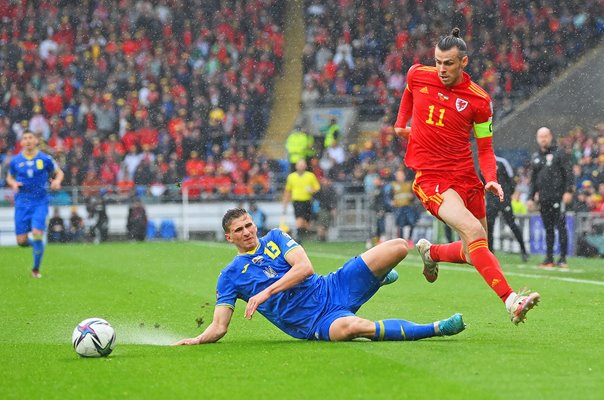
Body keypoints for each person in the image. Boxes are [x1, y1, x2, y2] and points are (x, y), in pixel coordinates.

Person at [393, 28, 540, 325]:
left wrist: (491, 178)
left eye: (448, 63)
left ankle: (431, 252)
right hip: (432, 178)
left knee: (474, 250)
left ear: (464, 62)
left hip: (466, 177)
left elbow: (485, 148)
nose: (442, 69)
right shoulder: (418, 74)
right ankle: (512, 301)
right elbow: (409, 91)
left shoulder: (479, 101)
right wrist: (400, 123)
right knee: (474, 232)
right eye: (438, 62)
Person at [174, 208, 465, 345]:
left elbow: (305, 269)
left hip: (330, 287)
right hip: (314, 322)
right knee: (353, 327)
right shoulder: (229, 277)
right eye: (239, 230)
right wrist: (197, 340)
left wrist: (264, 293)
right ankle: (437, 328)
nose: (247, 232)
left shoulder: (276, 237)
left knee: (400, 247)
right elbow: (219, 326)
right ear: (229, 237)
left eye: (249, 225)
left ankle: (376, 278)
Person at [6, 130, 64, 278]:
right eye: (25, 138)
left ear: (36, 141)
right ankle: (37, 246)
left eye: (30, 137)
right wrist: (13, 183)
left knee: (38, 233)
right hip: (22, 203)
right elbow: (9, 177)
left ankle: (35, 269)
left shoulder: (45, 159)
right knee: (21, 241)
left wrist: (57, 181)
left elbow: (59, 172)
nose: (28, 140)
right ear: (22, 143)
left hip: (40, 202)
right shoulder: (16, 161)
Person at [527, 127, 574, 268]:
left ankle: (563, 258)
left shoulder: (559, 153)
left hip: (558, 197)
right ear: (537, 138)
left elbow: (568, 173)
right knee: (548, 228)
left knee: (561, 226)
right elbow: (533, 180)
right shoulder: (536, 157)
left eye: (546, 136)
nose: (543, 139)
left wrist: (568, 191)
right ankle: (549, 258)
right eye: (541, 136)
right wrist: (530, 197)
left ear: (551, 137)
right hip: (544, 198)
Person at [486, 155, 529, 262]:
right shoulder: (482, 165)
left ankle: (523, 251)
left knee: (512, 224)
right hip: (491, 201)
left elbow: (511, 179)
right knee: (489, 226)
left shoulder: (501, 162)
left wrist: (507, 195)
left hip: (503, 199)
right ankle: (490, 253)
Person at [282, 159, 320, 243]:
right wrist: (285, 203)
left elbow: (317, 188)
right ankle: (298, 239)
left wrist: (312, 190)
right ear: (296, 166)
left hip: (307, 201)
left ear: (305, 166)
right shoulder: (291, 177)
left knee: (306, 222)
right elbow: (288, 191)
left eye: (303, 165)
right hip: (297, 201)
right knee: (299, 219)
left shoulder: (310, 176)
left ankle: (302, 236)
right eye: (299, 165)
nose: (301, 166)